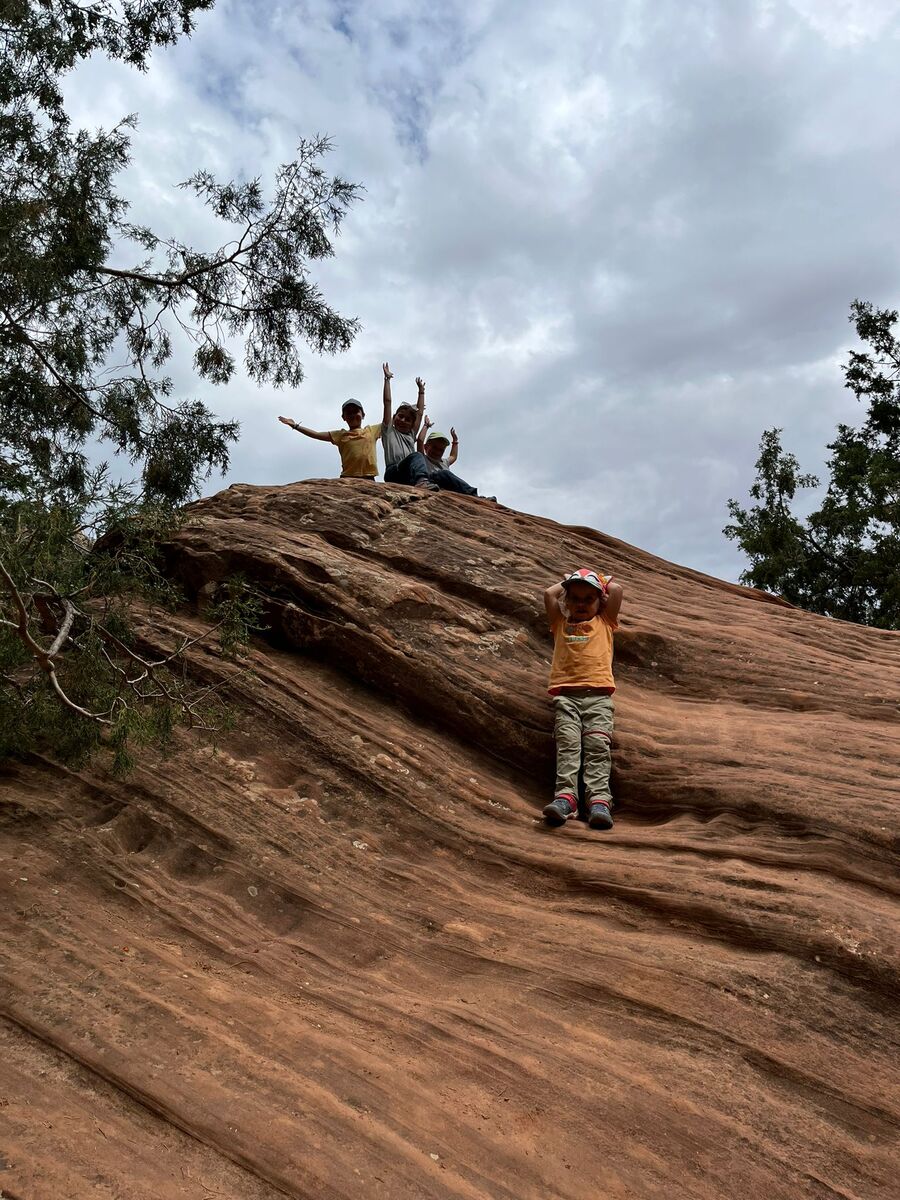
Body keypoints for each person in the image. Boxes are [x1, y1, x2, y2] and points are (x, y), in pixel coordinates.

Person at [541, 568, 624, 832]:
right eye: (574, 598)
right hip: (566, 697)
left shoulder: (605, 622)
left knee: (598, 747)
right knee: (568, 746)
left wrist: (600, 580)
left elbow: (617, 591)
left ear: (600, 602)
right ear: (566, 600)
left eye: (589, 599)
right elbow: (548, 594)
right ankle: (566, 798)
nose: (580, 604)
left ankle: (599, 801)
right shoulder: (560, 623)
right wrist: (568, 582)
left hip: (599, 698)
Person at [278, 369, 388, 479]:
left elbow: (387, 405)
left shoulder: (371, 431)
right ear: (343, 417)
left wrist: (387, 380)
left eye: (356, 412)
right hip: (347, 478)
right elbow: (316, 434)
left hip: (368, 477)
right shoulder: (340, 435)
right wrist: (295, 425)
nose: (353, 415)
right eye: (349, 413)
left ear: (363, 415)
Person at [413, 416, 484, 497]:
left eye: (441, 450)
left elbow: (453, 456)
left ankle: (473, 495)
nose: (437, 452)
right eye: (434, 448)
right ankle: (473, 494)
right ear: (426, 447)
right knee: (444, 474)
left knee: (449, 477)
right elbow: (420, 441)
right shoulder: (423, 458)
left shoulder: (444, 462)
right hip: (431, 481)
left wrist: (455, 441)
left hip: (445, 486)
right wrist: (426, 426)